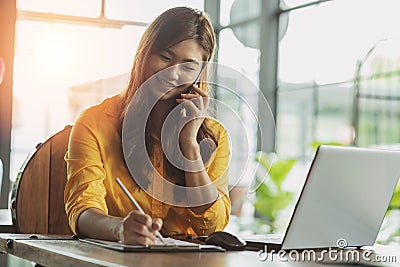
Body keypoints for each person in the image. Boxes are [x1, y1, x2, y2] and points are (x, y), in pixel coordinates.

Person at [64, 7, 231, 245]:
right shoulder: (94, 123)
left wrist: (190, 145)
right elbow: (82, 211)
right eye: (165, 57)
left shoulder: (215, 135)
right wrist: (120, 229)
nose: (173, 74)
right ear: (145, 53)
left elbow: (212, 226)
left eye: (188, 66)